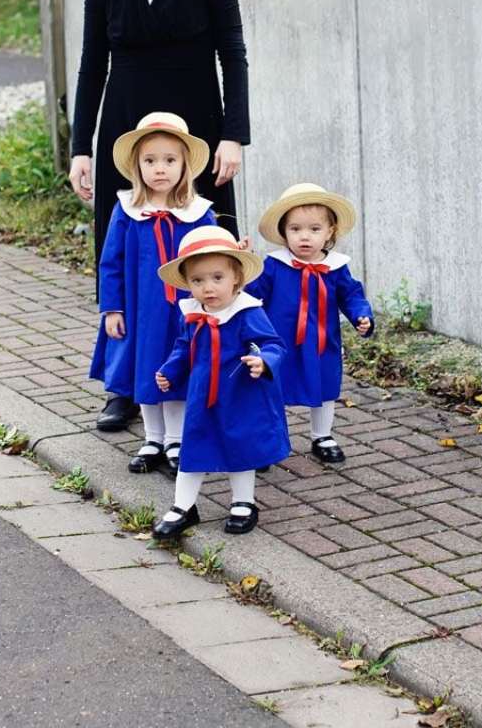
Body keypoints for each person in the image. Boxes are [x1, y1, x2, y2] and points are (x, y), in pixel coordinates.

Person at [69, 0, 250, 432]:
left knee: (204, 248)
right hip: (126, 131)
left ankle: (214, 370)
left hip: (197, 127)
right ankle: (124, 386)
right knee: (124, 253)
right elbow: (91, 66)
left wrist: (234, 134)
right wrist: (80, 148)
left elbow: (233, 54)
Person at [89, 112, 217, 472]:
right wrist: (112, 308)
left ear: (184, 165)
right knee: (146, 370)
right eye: (150, 160)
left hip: (183, 311)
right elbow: (110, 262)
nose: (160, 169)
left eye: (169, 160)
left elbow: (212, 255)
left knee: (175, 370)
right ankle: (152, 439)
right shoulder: (128, 209)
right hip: (140, 311)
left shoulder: (198, 212)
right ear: (137, 165)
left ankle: (176, 441)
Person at [152, 226, 290, 539]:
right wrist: (171, 371)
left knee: (240, 446)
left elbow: (273, 344)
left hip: (240, 393)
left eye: (217, 278)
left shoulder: (246, 311)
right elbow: (183, 345)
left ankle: (243, 502)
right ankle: (183, 506)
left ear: (236, 278)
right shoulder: (192, 312)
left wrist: (263, 361)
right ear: (188, 283)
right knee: (194, 446)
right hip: (204, 395)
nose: (208, 288)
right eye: (198, 281)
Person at [247, 183, 374, 464]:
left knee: (325, 386)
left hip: (321, 341)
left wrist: (361, 316)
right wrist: (243, 267)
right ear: (283, 232)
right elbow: (251, 294)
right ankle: (270, 440)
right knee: (274, 387)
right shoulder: (274, 265)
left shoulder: (336, 267)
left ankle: (322, 435)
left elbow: (351, 295)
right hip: (280, 342)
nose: (305, 237)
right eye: (295, 229)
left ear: (330, 232)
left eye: (314, 229)